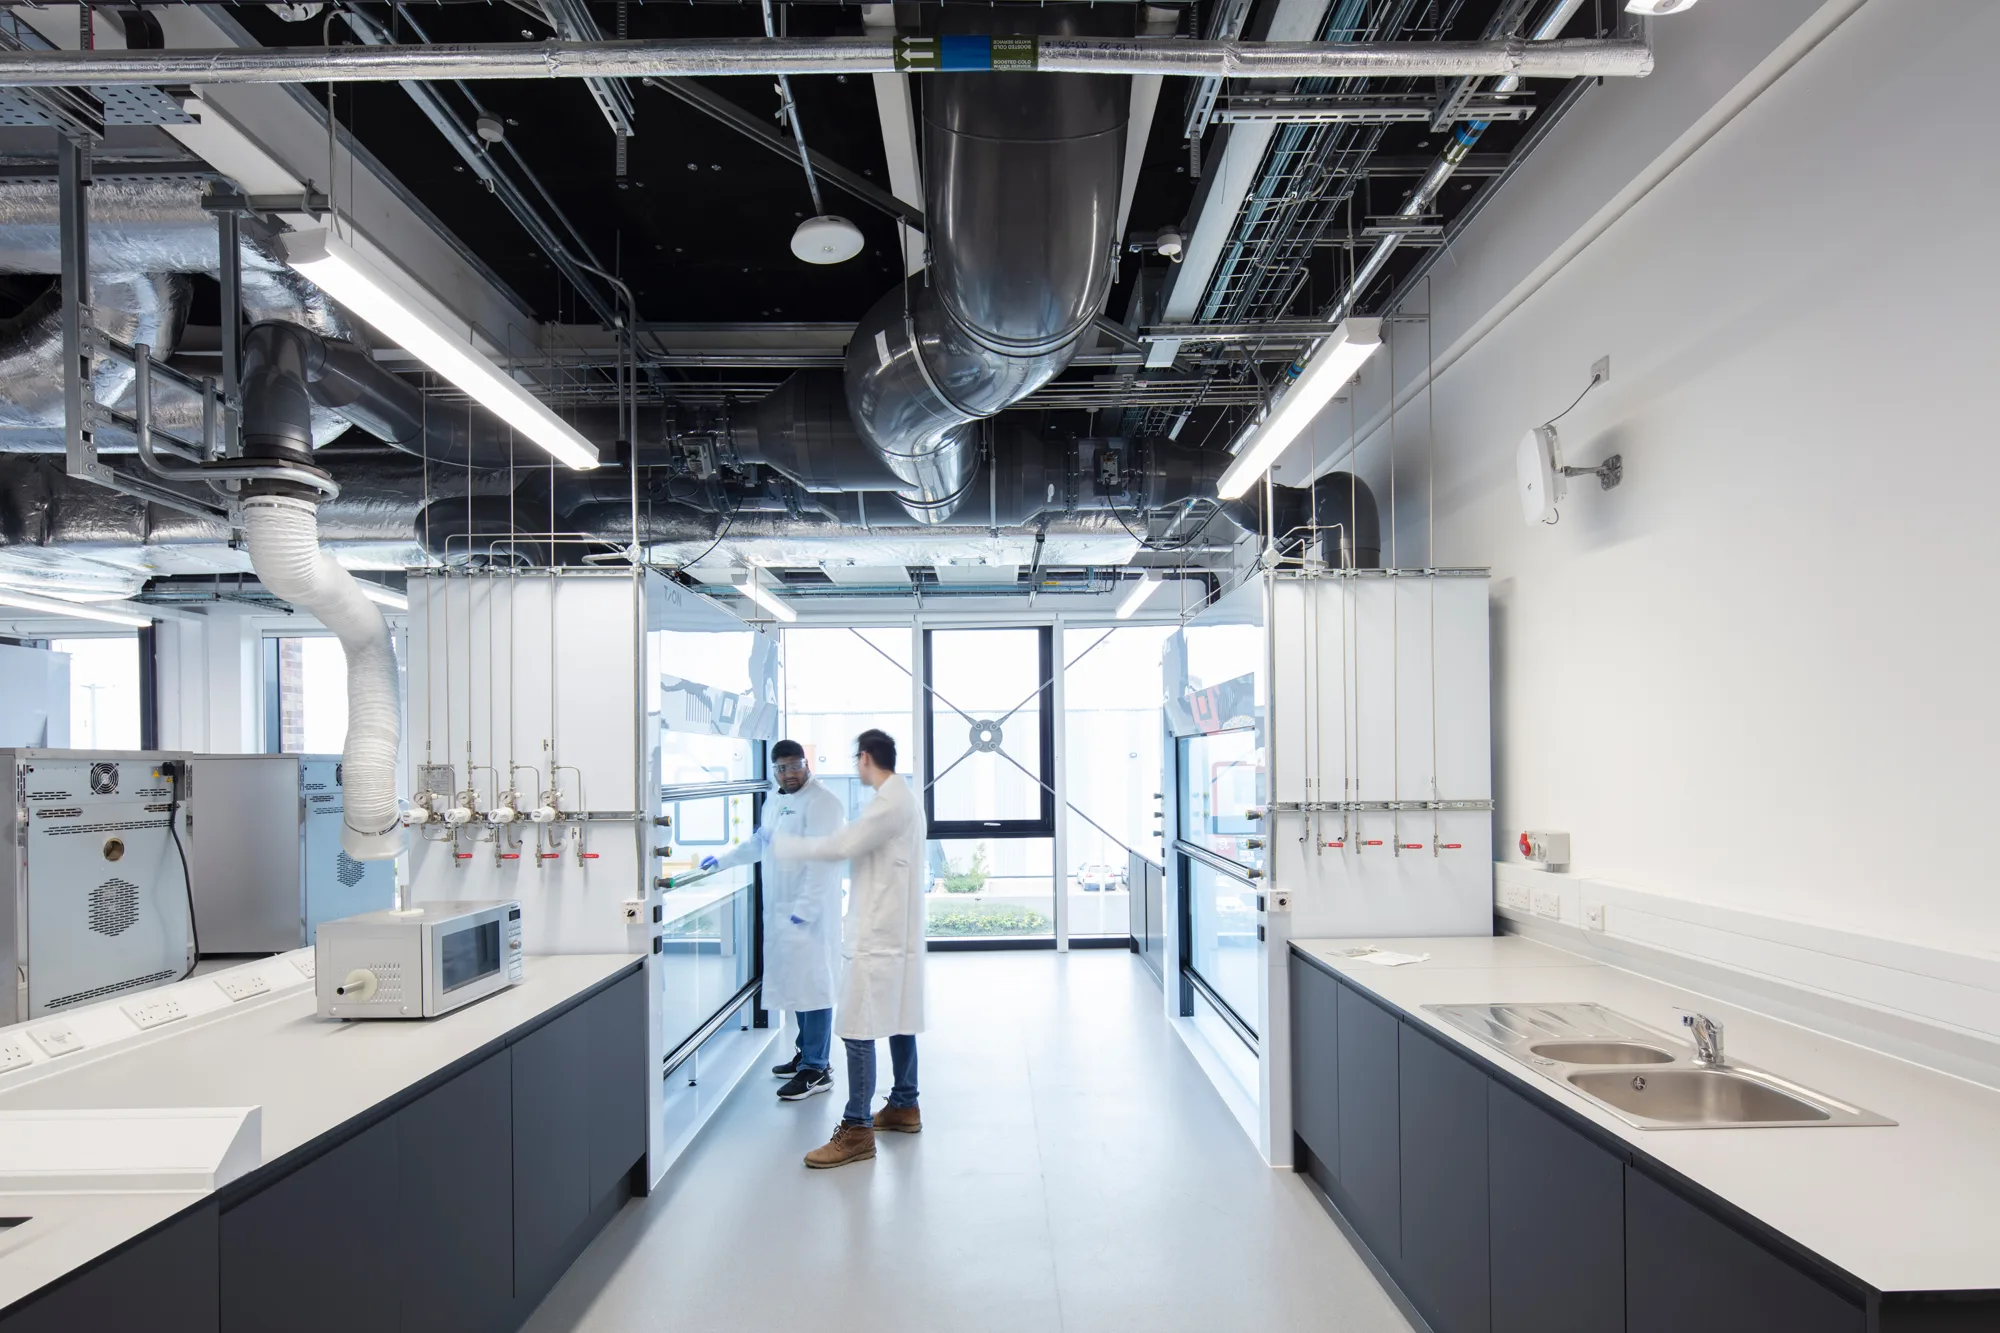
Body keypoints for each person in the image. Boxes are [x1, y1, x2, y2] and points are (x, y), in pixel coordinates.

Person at [763, 727, 926, 1169]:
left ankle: (856, 1129)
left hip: (878, 935)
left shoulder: (889, 804)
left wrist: (784, 843)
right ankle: (904, 1104)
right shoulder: (902, 799)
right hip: (894, 932)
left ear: (869, 759)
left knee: (856, 1028)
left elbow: (841, 844)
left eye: (858, 759)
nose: (856, 767)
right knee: (898, 1019)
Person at [701, 739, 845, 1101]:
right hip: (782, 910)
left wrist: (806, 910)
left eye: (795, 765)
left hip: (807, 914)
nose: (789, 773)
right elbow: (760, 842)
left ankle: (817, 1067)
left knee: (814, 986)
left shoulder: (823, 802)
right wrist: (722, 859)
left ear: (806, 764)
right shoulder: (776, 800)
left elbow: (824, 861)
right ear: (774, 770)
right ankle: (805, 1055)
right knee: (798, 985)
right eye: (781, 768)